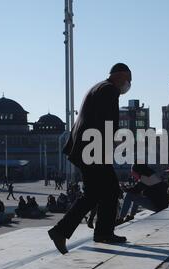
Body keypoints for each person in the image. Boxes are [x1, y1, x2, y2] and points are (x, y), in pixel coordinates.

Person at [48, 63, 132, 255]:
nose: (128, 84)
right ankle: (69, 231)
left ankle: (98, 232)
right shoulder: (110, 90)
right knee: (107, 190)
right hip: (92, 149)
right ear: (120, 76)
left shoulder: (99, 87)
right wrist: (111, 143)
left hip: (86, 147)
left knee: (99, 191)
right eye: (128, 79)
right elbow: (106, 120)